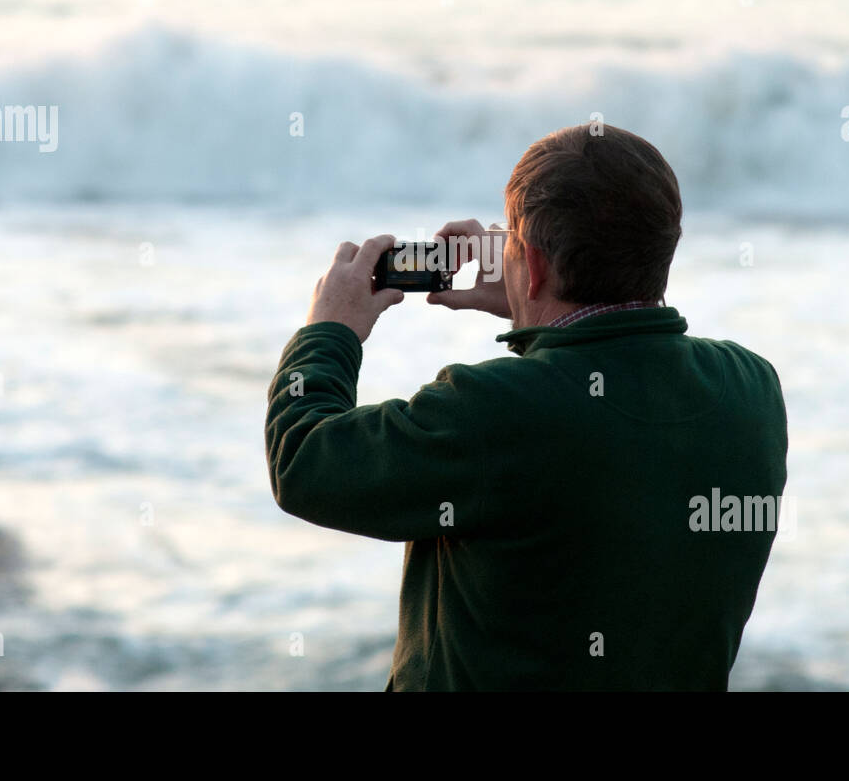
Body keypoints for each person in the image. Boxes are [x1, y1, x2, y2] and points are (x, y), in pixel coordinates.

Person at [265, 123, 788, 690]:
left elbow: (305, 463)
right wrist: (533, 305)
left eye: (513, 243)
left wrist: (330, 331)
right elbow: (613, 396)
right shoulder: (751, 387)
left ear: (533, 265)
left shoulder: (494, 409)